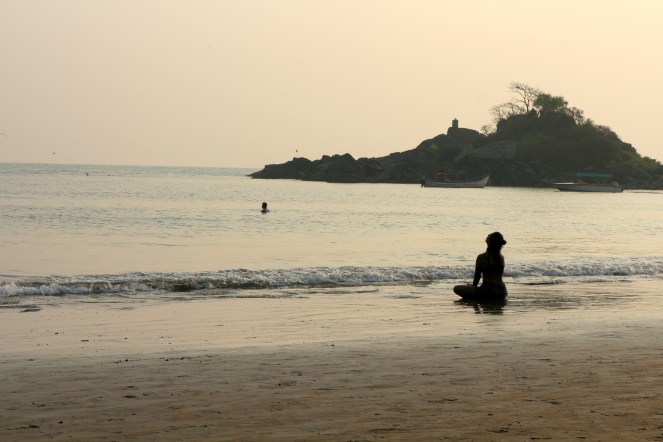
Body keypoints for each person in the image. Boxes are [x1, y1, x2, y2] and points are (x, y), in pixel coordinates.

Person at [453, 232, 508, 299]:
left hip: (489, 291)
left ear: (491, 242)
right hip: (502, 291)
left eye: (489, 235)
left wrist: (473, 287)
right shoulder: (501, 257)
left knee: (456, 288)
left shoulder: (482, 257)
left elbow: (477, 276)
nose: (488, 235)